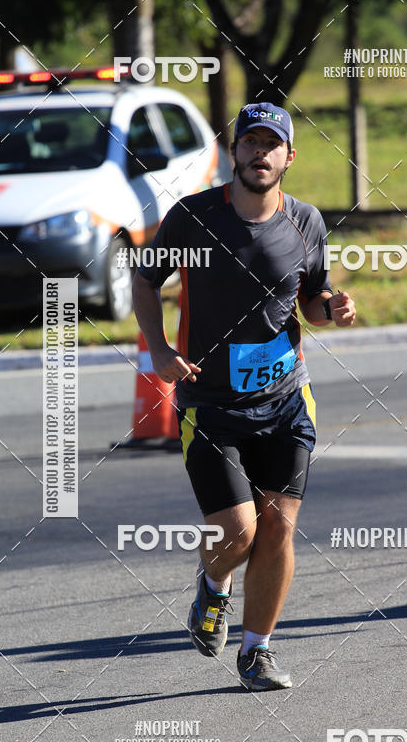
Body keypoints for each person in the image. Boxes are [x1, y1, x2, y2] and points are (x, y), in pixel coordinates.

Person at [132, 102, 356, 691]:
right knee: (237, 534)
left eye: (270, 143)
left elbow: (310, 298)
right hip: (212, 405)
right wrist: (156, 349)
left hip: (285, 400)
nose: (259, 153)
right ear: (233, 153)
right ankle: (212, 587)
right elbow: (144, 277)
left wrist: (331, 309)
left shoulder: (307, 222)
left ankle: (256, 652)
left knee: (278, 528)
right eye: (249, 143)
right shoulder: (193, 217)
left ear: (289, 156)